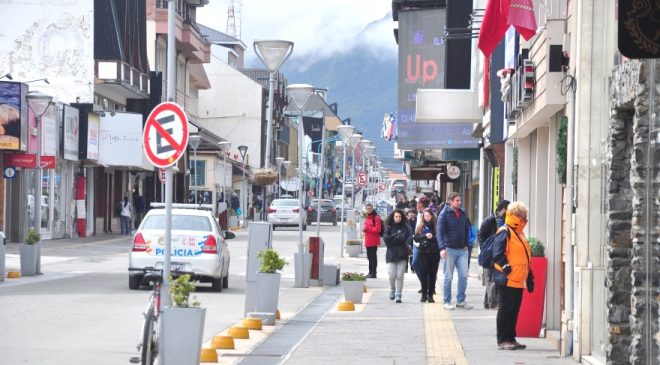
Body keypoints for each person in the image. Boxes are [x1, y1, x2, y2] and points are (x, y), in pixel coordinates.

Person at [492, 201, 531, 350]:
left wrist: (529, 275)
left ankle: (511, 338)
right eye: (523, 215)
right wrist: (505, 266)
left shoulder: (519, 233)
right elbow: (497, 253)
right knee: (506, 309)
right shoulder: (505, 231)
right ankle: (503, 340)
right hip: (508, 278)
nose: (525, 218)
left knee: (514, 310)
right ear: (517, 215)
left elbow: (524, 256)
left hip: (518, 279)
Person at [437, 192, 472, 310]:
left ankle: (460, 301)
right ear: (451, 201)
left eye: (460, 200)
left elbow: (467, 229)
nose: (460, 202)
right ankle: (446, 301)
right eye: (457, 200)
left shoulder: (462, 213)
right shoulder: (444, 214)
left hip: (462, 250)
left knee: (463, 276)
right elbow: (439, 233)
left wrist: (467, 243)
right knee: (448, 277)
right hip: (449, 250)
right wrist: (442, 248)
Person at [478, 200, 510, 309]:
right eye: (508, 209)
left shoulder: (506, 221)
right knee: (490, 278)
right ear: (503, 209)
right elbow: (480, 235)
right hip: (489, 253)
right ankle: (493, 303)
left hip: (499, 252)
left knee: (494, 277)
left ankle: (488, 302)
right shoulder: (489, 220)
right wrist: (484, 248)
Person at [383, 209, 413, 303]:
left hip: (402, 253)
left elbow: (405, 237)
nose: (398, 218)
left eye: (400, 216)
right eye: (396, 216)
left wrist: (393, 238)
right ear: (393, 217)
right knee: (392, 275)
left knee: (400, 275)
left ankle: (398, 294)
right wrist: (397, 238)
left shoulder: (405, 227)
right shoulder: (388, 227)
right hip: (391, 254)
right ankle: (392, 289)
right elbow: (386, 239)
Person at [413, 208, 440, 302]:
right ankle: (424, 294)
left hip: (434, 253)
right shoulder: (421, 225)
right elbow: (416, 238)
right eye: (425, 216)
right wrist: (424, 236)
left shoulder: (437, 226)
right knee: (424, 273)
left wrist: (432, 237)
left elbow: (440, 239)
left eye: (428, 215)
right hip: (423, 252)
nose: (426, 217)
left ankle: (431, 295)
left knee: (432, 274)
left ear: (432, 216)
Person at [362, 203, 382, 278]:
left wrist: (367, 229)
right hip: (368, 240)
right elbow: (366, 227)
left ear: (372, 208)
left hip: (373, 240)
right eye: (368, 208)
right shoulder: (367, 217)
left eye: (370, 208)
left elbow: (378, 229)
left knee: (373, 257)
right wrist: (364, 229)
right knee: (369, 257)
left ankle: (374, 273)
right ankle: (370, 272)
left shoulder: (376, 218)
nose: (369, 210)